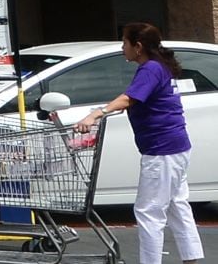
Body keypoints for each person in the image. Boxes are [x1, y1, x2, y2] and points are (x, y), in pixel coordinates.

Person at [75, 22, 200, 264]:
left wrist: (95, 114)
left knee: (148, 211)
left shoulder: (151, 69)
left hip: (162, 149)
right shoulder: (158, 67)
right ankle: (191, 258)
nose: (123, 47)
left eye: (124, 42)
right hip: (175, 146)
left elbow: (129, 99)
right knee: (177, 205)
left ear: (138, 46)